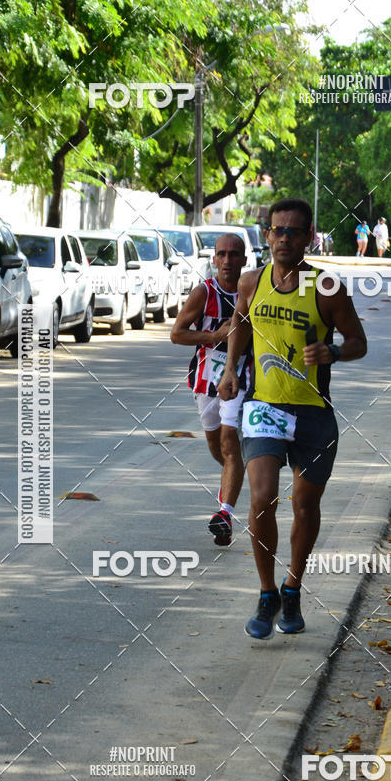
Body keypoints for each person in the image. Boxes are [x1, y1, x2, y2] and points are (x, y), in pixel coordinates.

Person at [218, 198, 367, 640]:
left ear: (308, 237)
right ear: (266, 235)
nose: (284, 238)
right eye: (277, 230)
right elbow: (240, 325)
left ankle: (293, 587)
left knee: (305, 505)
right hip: (265, 407)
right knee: (262, 497)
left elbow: (358, 341)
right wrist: (230, 368)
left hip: (314, 414)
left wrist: (334, 351)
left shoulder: (326, 288)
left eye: (293, 232)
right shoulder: (251, 282)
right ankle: (266, 594)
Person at [170, 233, 252, 546]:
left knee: (231, 444)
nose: (228, 260)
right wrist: (213, 335)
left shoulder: (254, 290)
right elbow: (177, 334)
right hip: (206, 381)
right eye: (223, 255)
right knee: (218, 449)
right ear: (214, 259)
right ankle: (235, 476)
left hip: (243, 379)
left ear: (244, 260)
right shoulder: (204, 293)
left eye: (235, 255)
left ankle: (224, 514)